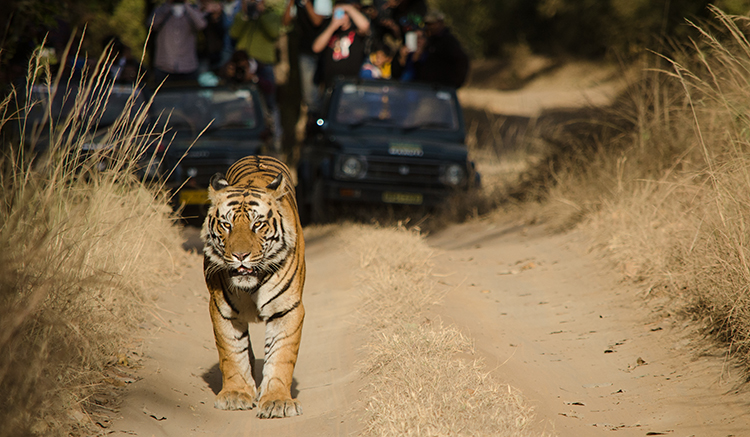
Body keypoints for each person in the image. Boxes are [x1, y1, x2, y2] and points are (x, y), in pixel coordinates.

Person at [230, 0, 283, 153]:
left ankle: (275, 134)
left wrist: (261, 14)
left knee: (270, 100)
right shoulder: (242, 15)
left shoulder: (272, 15)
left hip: (263, 64)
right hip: (242, 59)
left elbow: (274, 33)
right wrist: (245, 15)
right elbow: (233, 33)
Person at [282, 0, 329, 114]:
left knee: (327, 88)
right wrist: (291, 3)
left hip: (325, 51)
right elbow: (286, 21)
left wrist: (307, 3)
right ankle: (313, 120)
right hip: (305, 51)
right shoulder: (296, 3)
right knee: (309, 93)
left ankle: (324, 117)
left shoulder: (320, 1)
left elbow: (317, 21)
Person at [312, 1, 370, 88]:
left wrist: (348, 8)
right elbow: (316, 48)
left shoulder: (356, 31)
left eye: (344, 13)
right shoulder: (329, 30)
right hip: (331, 85)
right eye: (338, 13)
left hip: (351, 85)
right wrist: (333, 26)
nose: (341, 16)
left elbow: (365, 26)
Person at [149, 0, 208, 84]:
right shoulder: (161, 8)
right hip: (165, 66)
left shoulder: (192, 9)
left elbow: (201, 24)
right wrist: (168, 5)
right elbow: (152, 24)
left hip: (188, 66)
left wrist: (187, 6)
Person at [412, 9, 469, 89]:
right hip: (427, 89)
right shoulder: (429, 41)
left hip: (443, 89)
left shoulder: (448, 41)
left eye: (432, 24)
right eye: (427, 24)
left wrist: (454, 84)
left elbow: (461, 61)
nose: (429, 27)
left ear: (441, 23)